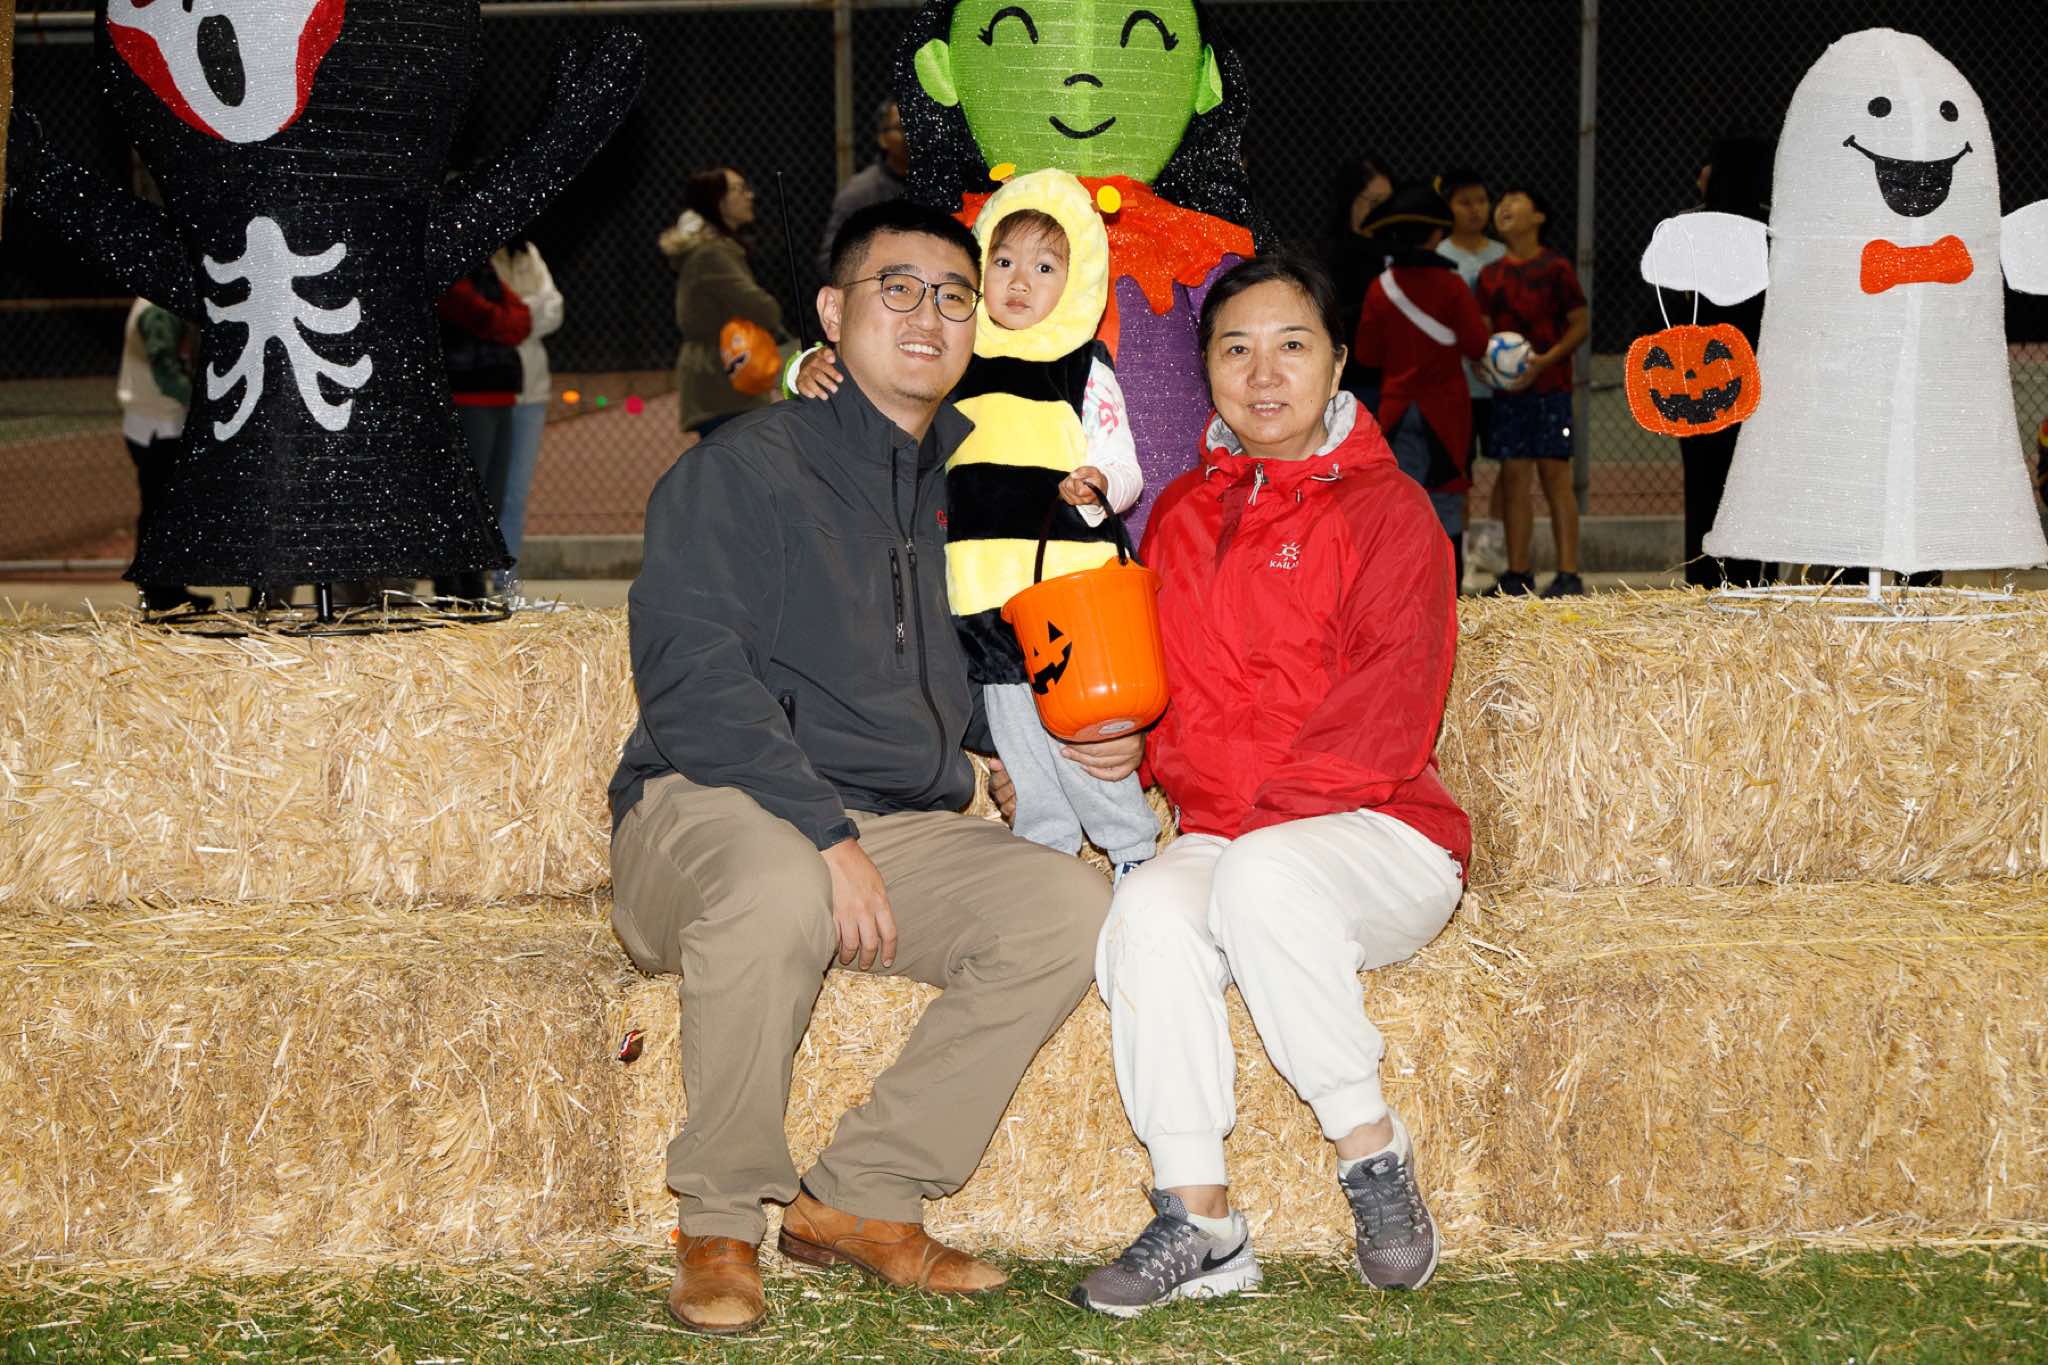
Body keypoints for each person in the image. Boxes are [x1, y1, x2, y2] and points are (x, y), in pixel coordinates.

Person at [609, 198, 1137, 1337]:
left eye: (953, 296)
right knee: (778, 884)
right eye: (897, 289)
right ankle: (718, 1219)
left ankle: (859, 1194)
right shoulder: (742, 468)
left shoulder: (964, 483)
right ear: (832, 314)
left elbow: (973, 652)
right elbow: (694, 681)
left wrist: (1019, 744)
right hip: (711, 806)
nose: (928, 315)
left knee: (1071, 906)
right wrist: (825, 832)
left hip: (893, 823)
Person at [1072, 254, 1468, 1316]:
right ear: (1204, 369)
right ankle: (1199, 1217)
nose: (1262, 373)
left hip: (1378, 832)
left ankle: (1370, 1150)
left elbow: (1388, 713)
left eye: (1292, 346)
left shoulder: (1390, 512)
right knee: (1147, 912)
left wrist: (1243, 831)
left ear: (1336, 363)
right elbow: (1165, 688)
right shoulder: (1178, 514)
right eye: (1234, 348)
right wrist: (1125, 743)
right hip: (1231, 836)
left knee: (1254, 877)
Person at [794, 171, 1155, 874]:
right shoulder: (958, 357)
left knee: (1082, 728)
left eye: (1046, 268)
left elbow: (1123, 460)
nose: (1020, 281)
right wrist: (806, 368)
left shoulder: (1082, 365)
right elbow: (874, 396)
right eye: (1004, 260)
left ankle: (1132, 847)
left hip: (1065, 583)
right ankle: (1047, 851)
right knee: (1016, 732)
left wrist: (1099, 486)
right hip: (979, 587)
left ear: (1080, 278)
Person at [1352, 182, 1489, 590]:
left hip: (1397, 411)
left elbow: (1367, 355)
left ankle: (1401, 595)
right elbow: (1477, 345)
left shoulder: (1380, 287)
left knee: (1402, 504)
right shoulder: (1452, 285)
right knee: (1446, 505)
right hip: (1445, 414)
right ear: (1436, 234)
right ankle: (1449, 597)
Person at [1476, 186, 1590, 597]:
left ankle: (1568, 574)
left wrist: (1547, 359)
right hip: (1509, 395)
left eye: (1516, 200)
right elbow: (1483, 332)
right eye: (1502, 201)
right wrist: (1483, 363)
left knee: (1556, 476)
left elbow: (1580, 322)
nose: (1504, 206)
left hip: (1550, 389)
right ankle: (1518, 573)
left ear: (1539, 217)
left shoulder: (1555, 268)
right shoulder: (1490, 275)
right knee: (1513, 477)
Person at [1677, 137, 1772, 589]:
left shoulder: (1686, 230)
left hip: (1697, 376)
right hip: (1761, 376)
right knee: (1757, 487)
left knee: (1703, 486)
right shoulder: (1773, 231)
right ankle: (1754, 582)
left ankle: (1703, 581)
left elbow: (1660, 309)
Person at [659, 167, 792, 437]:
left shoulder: (713, 251)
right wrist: (769, 306)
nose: (749, 195)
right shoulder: (712, 255)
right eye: (739, 189)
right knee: (741, 461)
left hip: (722, 381)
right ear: (717, 201)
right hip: (725, 384)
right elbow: (764, 310)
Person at [434, 258, 531, 600]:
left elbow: (522, 319)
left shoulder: (484, 272)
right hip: (467, 394)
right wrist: (500, 319)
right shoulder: (451, 273)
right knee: (467, 496)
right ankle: (458, 584)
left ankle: (473, 580)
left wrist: (499, 319)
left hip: (499, 392)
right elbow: (478, 314)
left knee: (490, 496)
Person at [115, 297, 211, 613]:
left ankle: (166, 588)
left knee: (161, 508)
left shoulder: (154, 304)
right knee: (160, 509)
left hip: (153, 420)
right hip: (158, 422)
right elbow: (164, 368)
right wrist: (202, 405)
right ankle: (160, 589)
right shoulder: (158, 308)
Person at [484, 235, 563, 598]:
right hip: (488, 388)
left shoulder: (528, 252)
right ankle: (476, 577)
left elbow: (555, 308)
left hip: (531, 390)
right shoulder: (477, 255)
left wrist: (515, 312)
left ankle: (507, 578)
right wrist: (527, 310)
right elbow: (488, 316)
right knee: (487, 490)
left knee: (515, 493)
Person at [1434, 169, 1507, 536]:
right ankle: (1460, 547)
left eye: (1481, 201)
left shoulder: (1503, 255)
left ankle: (1491, 545)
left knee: (1511, 466)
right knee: (1459, 472)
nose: (1476, 209)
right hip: (1457, 385)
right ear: (1447, 208)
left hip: (1499, 385)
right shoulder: (1439, 256)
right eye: (1465, 202)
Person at [813, 98, 911, 285]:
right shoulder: (861, 193)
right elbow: (830, 260)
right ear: (882, 138)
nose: (911, 134)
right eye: (901, 127)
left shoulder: (944, 186)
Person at [1329, 152, 1399, 408]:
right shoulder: (1330, 253)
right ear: (1350, 200)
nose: (1382, 212)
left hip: (1395, 379)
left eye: (1387, 202)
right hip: (1351, 380)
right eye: (1373, 202)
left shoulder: (1397, 249)